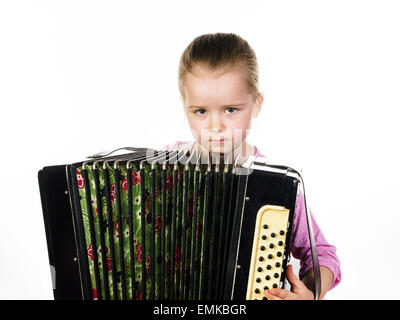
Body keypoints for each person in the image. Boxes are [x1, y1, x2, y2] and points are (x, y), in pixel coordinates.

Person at [163, 32, 341, 300]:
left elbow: (323, 254)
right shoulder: (165, 168)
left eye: (231, 110)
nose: (215, 126)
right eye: (200, 111)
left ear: (257, 104)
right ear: (184, 107)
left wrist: (310, 294)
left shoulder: (276, 184)